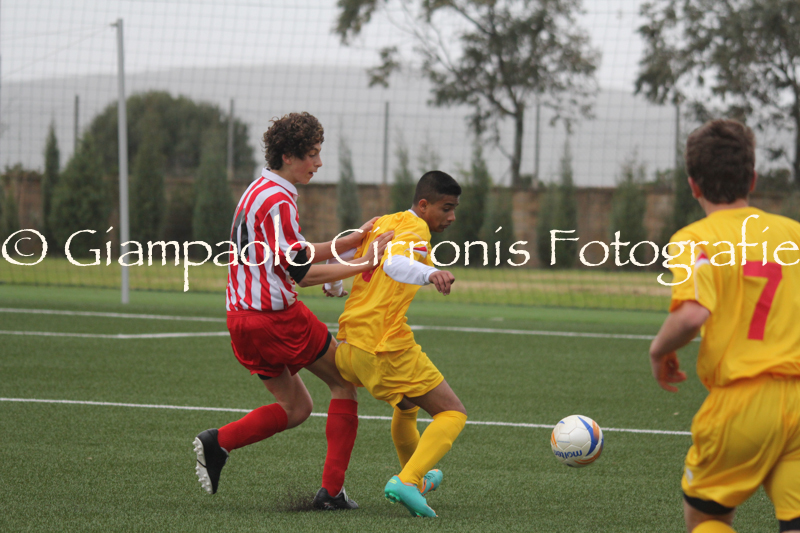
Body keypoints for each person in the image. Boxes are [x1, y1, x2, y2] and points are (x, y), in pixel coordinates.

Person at [193, 112, 393, 510]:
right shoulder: (279, 200)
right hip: (275, 319)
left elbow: (294, 253)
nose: (319, 163)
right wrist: (364, 262)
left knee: (297, 407)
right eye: (312, 155)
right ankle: (331, 493)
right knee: (344, 382)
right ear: (287, 156)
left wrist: (350, 240)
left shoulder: (258, 191)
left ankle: (219, 442)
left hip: (241, 320)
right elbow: (302, 274)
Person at [649, 119, 800, 533]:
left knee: (707, 517)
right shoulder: (794, 234)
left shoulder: (695, 238)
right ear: (752, 179)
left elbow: (692, 314)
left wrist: (658, 350)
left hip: (742, 404)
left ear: (693, 185)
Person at [325, 170, 467, 518]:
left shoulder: (383, 222)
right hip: (384, 346)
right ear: (424, 204)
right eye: (446, 208)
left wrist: (335, 287)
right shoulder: (416, 229)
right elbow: (393, 263)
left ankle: (415, 478)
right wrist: (430, 272)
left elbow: (339, 253)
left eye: (454, 209)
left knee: (406, 405)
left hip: (350, 345)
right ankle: (408, 480)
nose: (451, 217)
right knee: (452, 413)